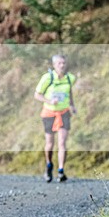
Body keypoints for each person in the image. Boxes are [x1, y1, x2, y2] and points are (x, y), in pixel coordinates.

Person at [34, 54, 77, 182]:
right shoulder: (47, 78)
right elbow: (37, 95)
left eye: (64, 63)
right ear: (54, 65)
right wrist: (49, 101)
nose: (62, 65)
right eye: (59, 63)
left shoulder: (70, 78)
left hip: (64, 112)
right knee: (50, 143)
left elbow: (69, 92)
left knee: (62, 142)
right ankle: (48, 166)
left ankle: (61, 171)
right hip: (49, 113)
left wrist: (72, 105)